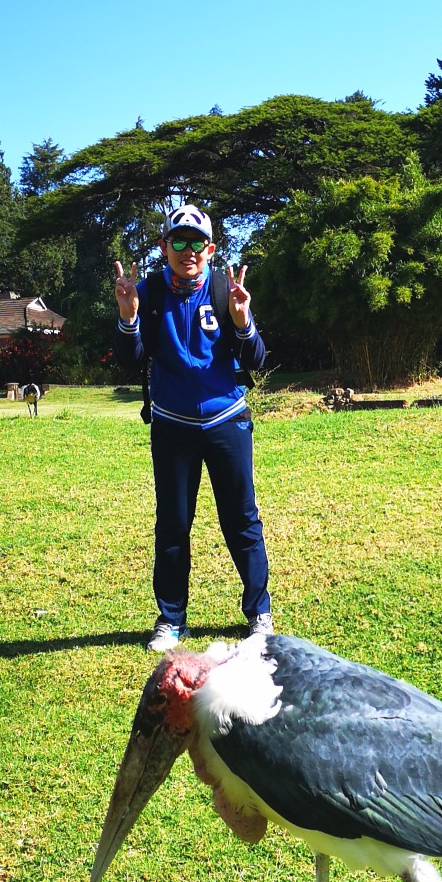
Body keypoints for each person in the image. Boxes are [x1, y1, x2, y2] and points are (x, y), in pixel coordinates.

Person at [114, 203, 273, 653]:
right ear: (164, 246)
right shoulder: (148, 293)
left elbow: (256, 361)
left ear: (211, 249)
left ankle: (259, 613)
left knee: (242, 519)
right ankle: (171, 620)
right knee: (173, 523)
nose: (188, 250)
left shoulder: (227, 290)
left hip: (227, 421)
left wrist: (242, 323)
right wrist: (128, 316)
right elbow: (130, 359)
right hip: (172, 425)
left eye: (196, 242)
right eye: (178, 241)